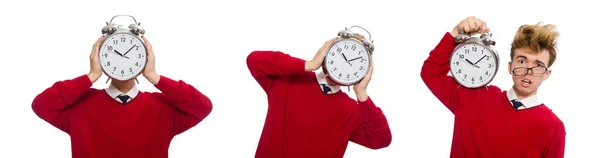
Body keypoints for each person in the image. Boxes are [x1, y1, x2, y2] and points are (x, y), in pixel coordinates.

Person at [31, 36, 213, 158]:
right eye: (114, 56)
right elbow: (41, 105)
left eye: (133, 56)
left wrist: (154, 77)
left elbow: (202, 106)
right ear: (101, 60)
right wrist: (90, 76)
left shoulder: (163, 108)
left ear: (143, 61)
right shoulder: (79, 106)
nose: (123, 63)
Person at [420, 16, 566, 157]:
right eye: (522, 61)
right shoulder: (473, 97)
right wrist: (456, 33)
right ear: (510, 66)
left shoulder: (553, 127)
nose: (528, 70)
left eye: (538, 65)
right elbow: (431, 73)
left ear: (547, 74)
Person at [246, 37, 392, 158]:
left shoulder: (351, 110)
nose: (345, 65)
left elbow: (381, 139)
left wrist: (361, 93)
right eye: (340, 54)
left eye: (355, 65)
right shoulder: (289, 79)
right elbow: (254, 61)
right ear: (325, 52)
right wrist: (308, 65)